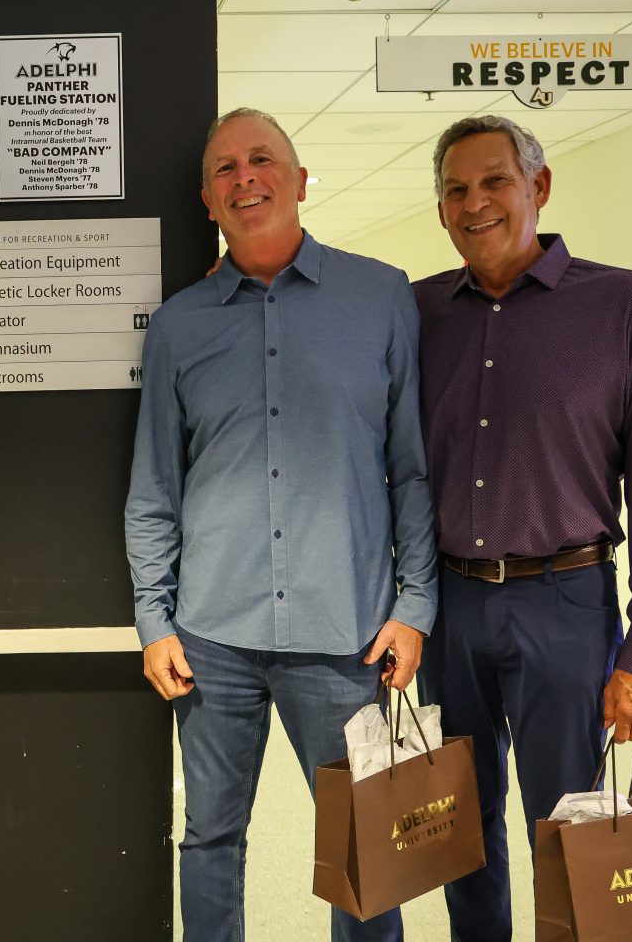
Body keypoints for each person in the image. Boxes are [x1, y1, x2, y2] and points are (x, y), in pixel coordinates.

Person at [125, 108, 438, 942]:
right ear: (207, 199)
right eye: (225, 168)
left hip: (346, 635)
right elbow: (154, 487)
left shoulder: (380, 297)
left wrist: (416, 606)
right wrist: (153, 619)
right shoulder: (180, 325)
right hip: (212, 638)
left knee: (365, 847)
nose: (245, 177)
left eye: (263, 159)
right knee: (211, 841)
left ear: (301, 181)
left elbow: (412, 466)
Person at [415, 114, 632, 941]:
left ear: (537, 187)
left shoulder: (626, 305)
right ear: (441, 211)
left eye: (495, 181)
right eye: (455, 190)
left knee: (570, 828)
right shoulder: (417, 313)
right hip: (449, 606)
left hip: (565, 602)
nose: (475, 203)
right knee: (461, 830)